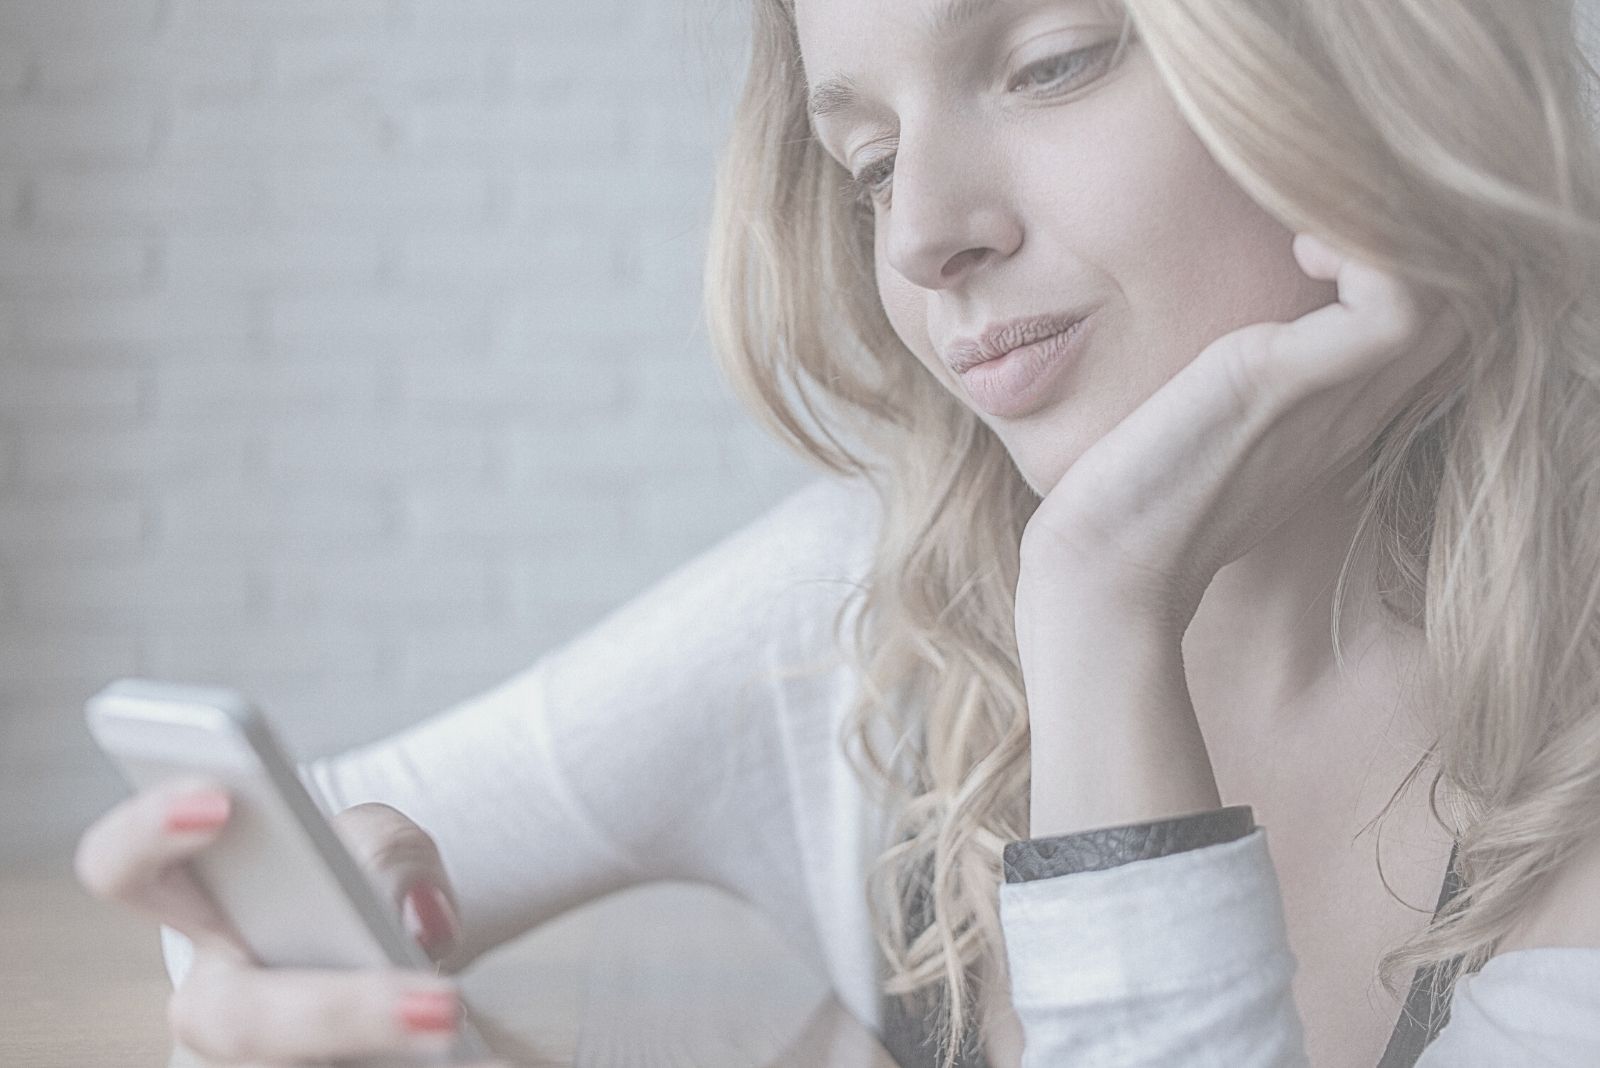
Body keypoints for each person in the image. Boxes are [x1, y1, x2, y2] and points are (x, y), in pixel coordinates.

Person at [74, 0, 1600, 1065]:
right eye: (866, 161)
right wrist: (290, 975)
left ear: (1378, 58)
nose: (926, 230)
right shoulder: (868, 621)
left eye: (1051, 62)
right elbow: (275, 867)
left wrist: (1102, 605)